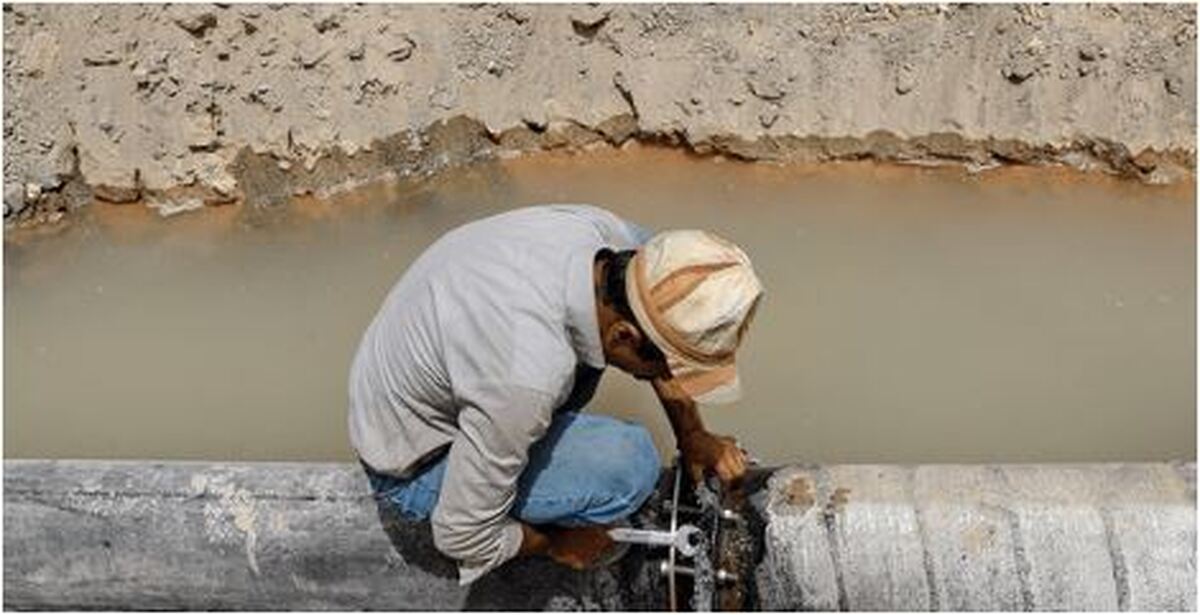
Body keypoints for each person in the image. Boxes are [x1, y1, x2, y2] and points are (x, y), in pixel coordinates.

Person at [348, 204, 764, 585]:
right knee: (628, 465)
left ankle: (499, 446)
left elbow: (653, 312)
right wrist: (556, 543)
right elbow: (460, 535)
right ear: (625, 335)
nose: (672, 380)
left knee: (550, 403)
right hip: (415, 458)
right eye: (671, 368)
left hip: (437, 360)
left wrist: (691, 435)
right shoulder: (523, 377)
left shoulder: (614, 241)